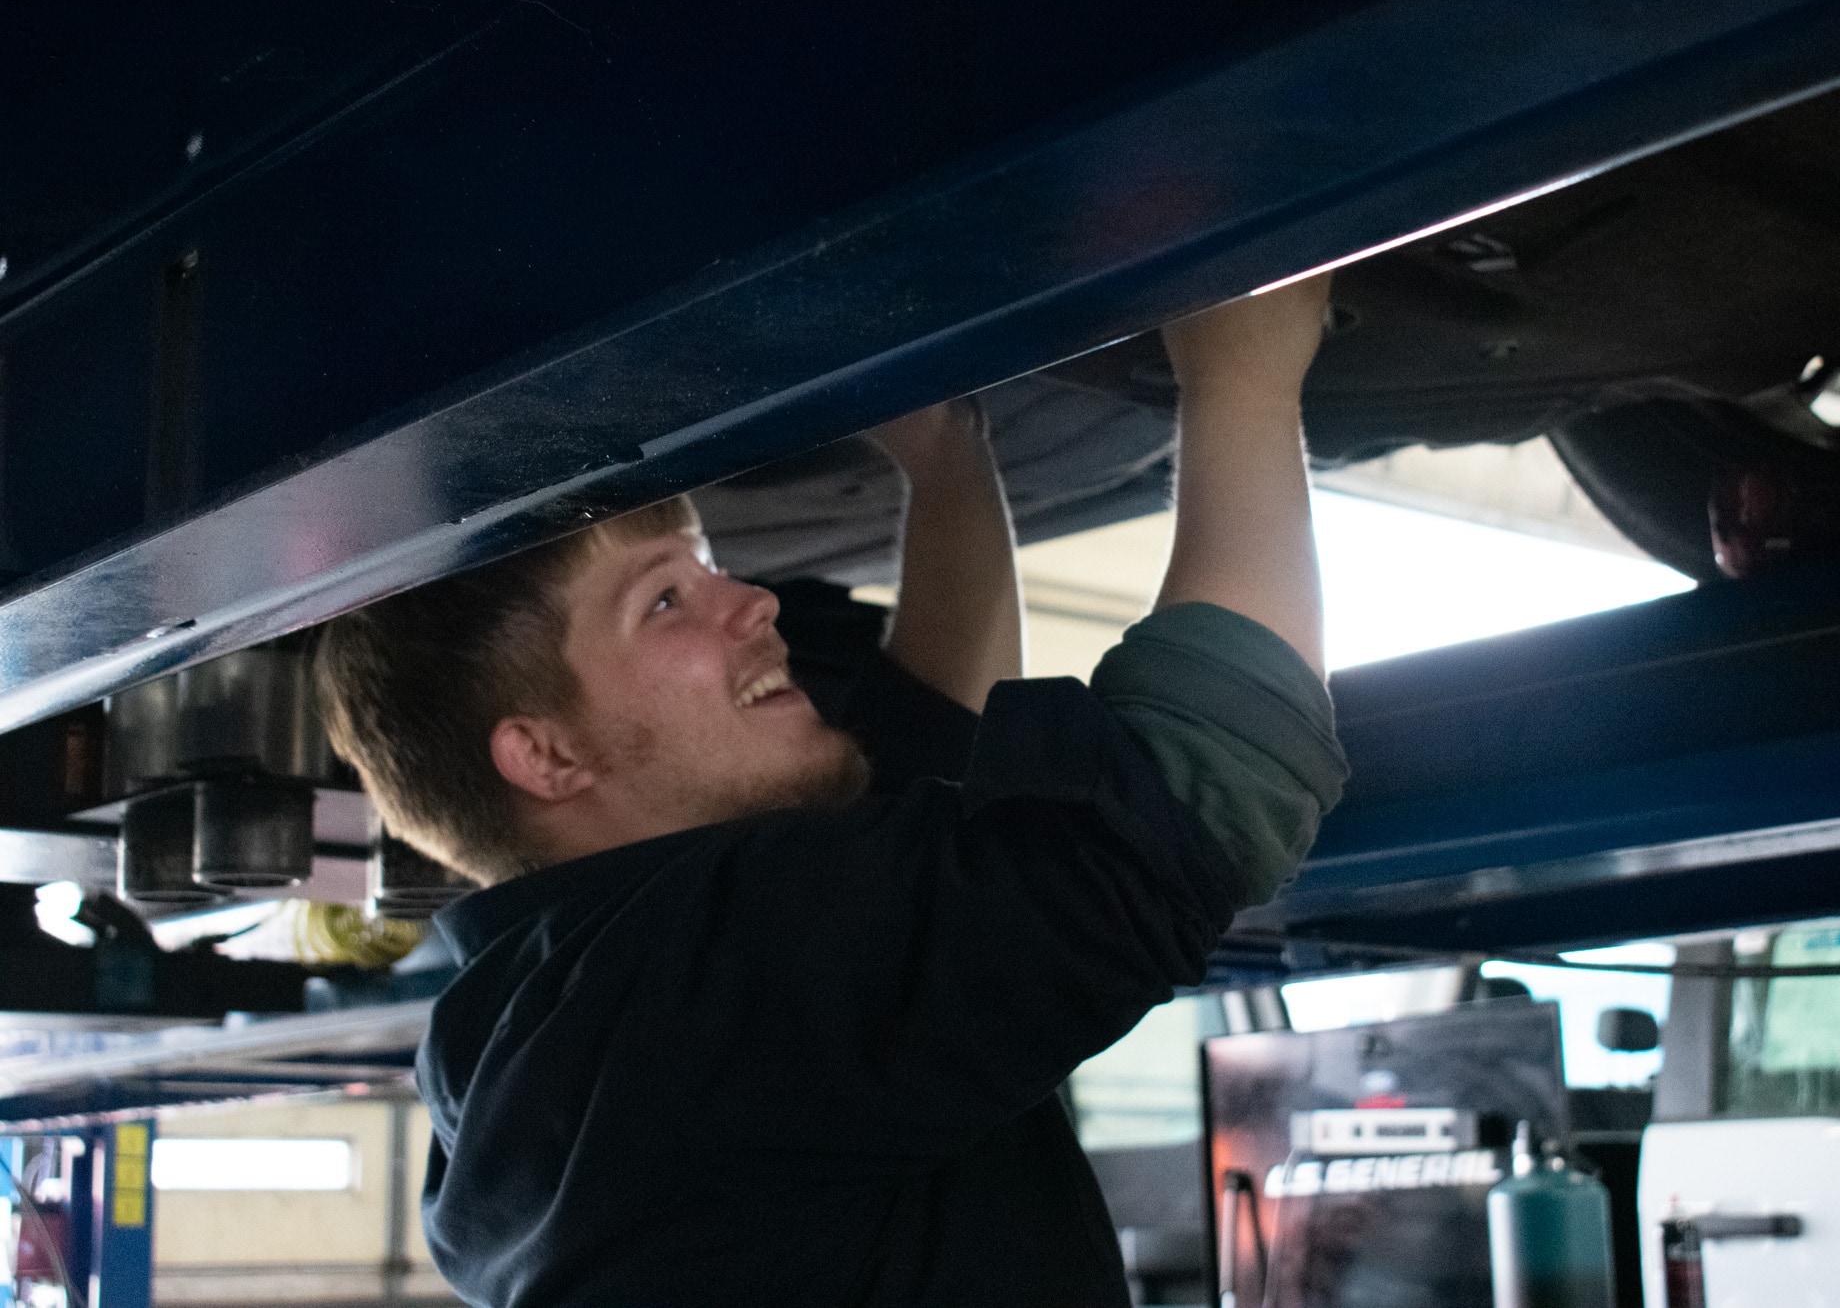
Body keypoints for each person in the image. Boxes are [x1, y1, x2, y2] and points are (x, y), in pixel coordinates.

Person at [315, 273, 1349, 1306]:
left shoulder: (550, 1037)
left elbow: (914, 775)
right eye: (664, 599)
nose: (753, 602)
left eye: (706, 562)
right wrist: (1241, 379)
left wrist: (946, 461)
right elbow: (1205, 784)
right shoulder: (673, 1013)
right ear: (544, 758)